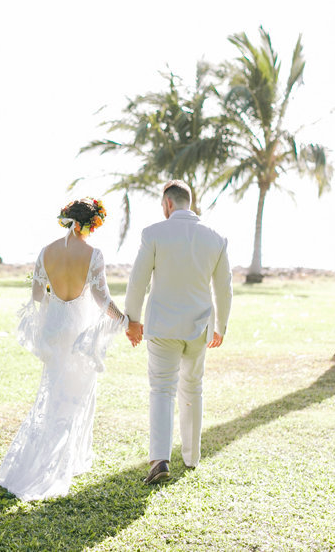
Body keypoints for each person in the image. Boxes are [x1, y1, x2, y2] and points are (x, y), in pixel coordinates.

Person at [0, 197, 139, 501]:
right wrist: (125, 320)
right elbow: (103, 301)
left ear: (67, 220)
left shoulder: (46, 252)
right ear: (89, 224)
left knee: (51, 396)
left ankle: (48, 460)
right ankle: (57, 465)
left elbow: (37, 294)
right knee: (72, 400)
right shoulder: (94, 254)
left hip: (55, 329)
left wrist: (55, 295)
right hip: (78, 333)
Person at [124, 180, 232, 485]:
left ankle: (160, 459)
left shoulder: (154, 233)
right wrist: (221, 327)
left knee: (161, 389)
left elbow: (137, 282)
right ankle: (191, 456)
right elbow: (224, 290)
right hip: (199, 328)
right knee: (192, 388)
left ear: (168, 203)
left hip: (162, 328)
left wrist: (132, 321)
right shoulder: (216, 238)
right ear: (188, 200)